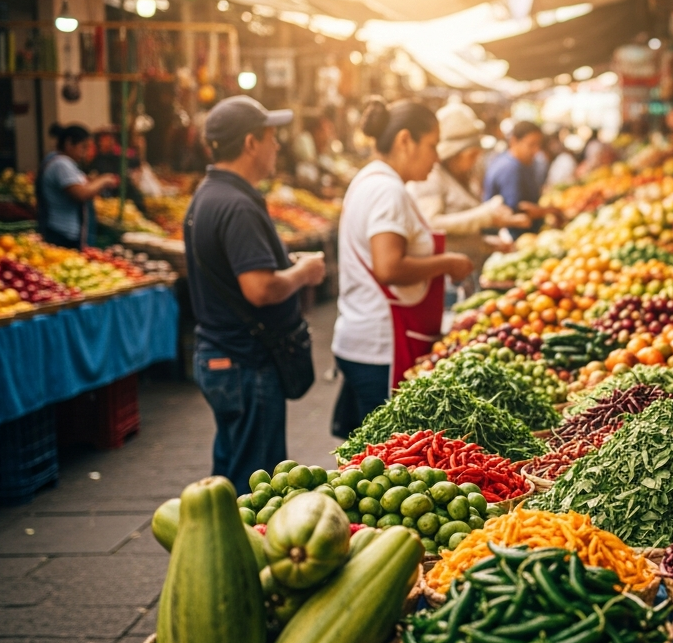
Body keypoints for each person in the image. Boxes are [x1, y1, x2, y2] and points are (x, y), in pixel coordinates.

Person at [185, 96, 327, 493]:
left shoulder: (208, 195)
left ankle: (220, 552)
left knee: (230, 476)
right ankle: (248, 553)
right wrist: (303, 272)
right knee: (257, 485)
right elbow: (260, 289)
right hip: (245, 363)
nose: (277, 146)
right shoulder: (236, 204)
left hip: (224, 357)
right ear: (250, 143)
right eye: (271, 137)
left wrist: (284, 262)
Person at [331, 98, 475, 435]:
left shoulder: (369, 180)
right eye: (432, 145)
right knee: (383, 459)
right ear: (404, 141)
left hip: (367, 339)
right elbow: (388, 267)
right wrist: (449, 262)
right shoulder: (387, 190)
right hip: (383, 346)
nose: (437, 157)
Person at [406, 103, 529, 290]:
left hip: (466, 276)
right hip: (445, 281)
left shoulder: (464, 176)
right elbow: (431, 224)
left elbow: (460, 231)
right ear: (453, 154)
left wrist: (486, 244)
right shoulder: (430, 176)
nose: (475, 160)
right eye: (471, 155)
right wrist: (486, 216)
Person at [36, 123, 118, 249]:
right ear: (69, 143)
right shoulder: (62, 164)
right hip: (62, 234)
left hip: (62, 231)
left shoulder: (59, 161)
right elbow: (81, 194)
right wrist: (104, 180)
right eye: (83, 147)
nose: (85, 153)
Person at [482, 121, 545, 233]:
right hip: (508, 237)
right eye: (531, 145)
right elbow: (517, 209)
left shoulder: (524, 163)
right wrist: (548, 211)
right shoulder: (509, 168)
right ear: (514, 141)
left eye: (538, 145)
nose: (536, 150)